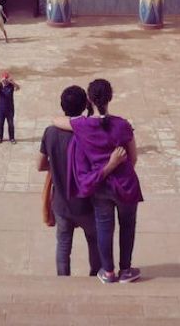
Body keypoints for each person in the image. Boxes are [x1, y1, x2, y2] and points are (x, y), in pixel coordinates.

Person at [55, 78, 143, 284]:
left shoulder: (82, 125)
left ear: (89, 100)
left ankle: (108, 272)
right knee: (127, 226)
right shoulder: (122, 125)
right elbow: (134, 157)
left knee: (104, 227)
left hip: (100, 186)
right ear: (110, 97)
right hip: (126, 185)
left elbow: (56, 121)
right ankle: (126, 270)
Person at [39, 85, 127, 277]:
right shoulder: (87, 133)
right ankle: (95, 276)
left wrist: (58, 166)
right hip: (87, 203)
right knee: (94, 242)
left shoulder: (50, 132)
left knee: (63, 245)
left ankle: (63, 280)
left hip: (61, 203)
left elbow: (40, 165)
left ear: (62, 105)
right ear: (86, 104)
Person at [0, 72, 20, 144]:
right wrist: (0, 82)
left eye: (6, 79)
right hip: (0, 109)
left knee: (11, 124)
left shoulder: (11, 85)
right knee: (0, 124)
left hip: (10, 109)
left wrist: (13, 82)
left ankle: (12, 138)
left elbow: (18, 88)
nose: (5, 81)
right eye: (4, 79)